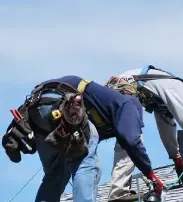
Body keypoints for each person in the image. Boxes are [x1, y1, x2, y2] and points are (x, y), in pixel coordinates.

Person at [2, 75, 164, 202]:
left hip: (36, 112)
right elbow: (132, 140)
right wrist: (150, 174)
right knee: (86, 164)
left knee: (56, 173)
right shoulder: (128, 103)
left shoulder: (101, 103)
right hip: (60, 104)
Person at [105, 65, 183, 201]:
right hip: (121, 93)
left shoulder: (170, 96)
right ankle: (118, 194)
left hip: (118, 96)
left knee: (128, 141)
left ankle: (119, 191)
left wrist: (177, 159)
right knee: (132, 140)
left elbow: (166, 128)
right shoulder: (178, 89)